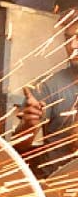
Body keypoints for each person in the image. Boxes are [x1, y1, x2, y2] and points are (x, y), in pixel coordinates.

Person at [14, 17, 78, 178]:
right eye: (68, 38)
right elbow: (18, 148)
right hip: (58, 190)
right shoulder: (47, 86)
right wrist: (29, 125)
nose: (72, 46)